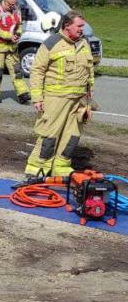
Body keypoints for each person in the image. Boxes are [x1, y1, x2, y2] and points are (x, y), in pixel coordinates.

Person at [25, 10, 94, 178]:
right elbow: (37, 72)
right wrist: (37, 98)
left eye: (82, 26)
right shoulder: (51, 43)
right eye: (79, 26)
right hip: (56, 99)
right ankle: (37, 169)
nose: (81, 30)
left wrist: (90, 88)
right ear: (67, 26)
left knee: (73, 134)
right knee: (50, 134)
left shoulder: (84, 43)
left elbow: (89, 67)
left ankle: (62, 166)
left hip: (79, 100)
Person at [0, 0, 30, 104]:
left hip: (12, 47)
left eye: (14, 4)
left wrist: (17, 34)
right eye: (10, 5)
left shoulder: (16, 10)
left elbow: (19, 24)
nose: (12, 7)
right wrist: (9, 36)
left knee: (17, 71)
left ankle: (23, 94)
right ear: (5, 1)